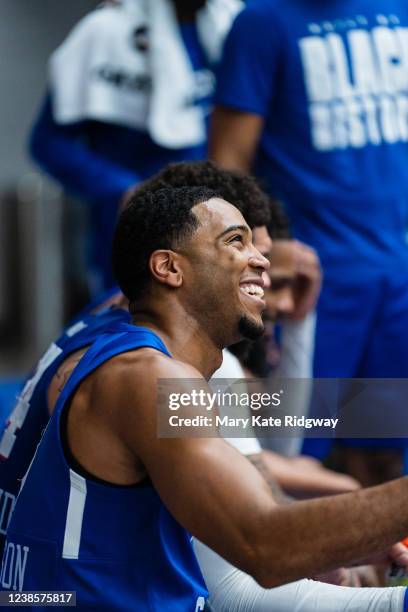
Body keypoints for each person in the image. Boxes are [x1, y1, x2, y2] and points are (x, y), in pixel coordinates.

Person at [3, 182, 408, 610]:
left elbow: (273, 477)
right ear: (169, 268)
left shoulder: (139, 355)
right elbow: (264, 546)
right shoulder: (149, 377)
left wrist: (341, 541)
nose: (261, 260)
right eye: (236, 240)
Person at [211, 0, 408, 481]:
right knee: (297, 460)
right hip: (311, 285)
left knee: (383, 454)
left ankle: (386, 561)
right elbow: (225, 165)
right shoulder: (262, 22)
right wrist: (254, 251)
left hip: (397, 279)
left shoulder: (397, 10)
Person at [29, 0, 242, 293]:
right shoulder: (104, 33)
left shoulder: (235, 21)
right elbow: (48, 142)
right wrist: (123, 189)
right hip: (131, 241)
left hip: (217, 233)